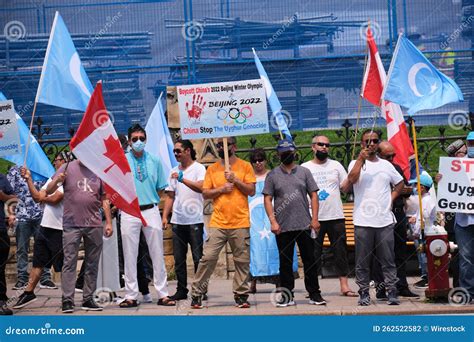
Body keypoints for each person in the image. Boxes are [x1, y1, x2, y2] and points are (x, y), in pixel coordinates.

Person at [191, 136, 256, 309]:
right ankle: (197, 293)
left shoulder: (245, 166)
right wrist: (221, 189)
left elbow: (251, 190)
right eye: (218, 145)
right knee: (208, 258)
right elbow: (205, 193)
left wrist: (236, 181)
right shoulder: (212, 169)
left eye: (223, 145)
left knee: (242, 260)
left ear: (233, 146)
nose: (220, 148)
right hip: (218, 222)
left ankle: (241, 294)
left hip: (240, 221)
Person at [263, 139, 326, 307]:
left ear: (295, 152)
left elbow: (313, 195)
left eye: (289, 153)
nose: (287, 156)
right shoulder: (273, 175)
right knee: (285, 263)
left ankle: (314, 294)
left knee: (310, 260)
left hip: (305, 224)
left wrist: (315, 219)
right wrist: (273, 221)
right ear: (278, 155)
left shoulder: (304, 172)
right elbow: (267, 199)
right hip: (282, 227)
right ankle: (287, 295)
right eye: (284, 153)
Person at [46, 158, 113, 313]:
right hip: (72, 224)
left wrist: (108, 222)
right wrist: (58, 181)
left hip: (94, 224)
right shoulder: (66, 167)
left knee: (92, 262)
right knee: (69, 262)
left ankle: (88, 298)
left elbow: (104, 198)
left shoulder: (98, 169)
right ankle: (67, 300)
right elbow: (48, 191)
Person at [119, 124, 175, 308]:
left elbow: (162, 188)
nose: (138, 142)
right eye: (134, 139)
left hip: (150, 209)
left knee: (157, 253)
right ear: (128, 141)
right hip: (129, 211)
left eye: (142, 138)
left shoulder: (155, 161)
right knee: (130, 254)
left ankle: (163, 293)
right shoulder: (121, 160)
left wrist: (157, 206)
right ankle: (130, 295)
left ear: (146, 139)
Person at [347, 130, 404, 306]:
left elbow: (400, 183)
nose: (371, 144)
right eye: (367, 141)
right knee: (362, 260)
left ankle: (392, 290)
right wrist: (359, 159)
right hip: (363, 220)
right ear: (362, 143)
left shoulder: (386, 165)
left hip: (384, 219)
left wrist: (391, 198)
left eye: (374, 141)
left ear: (378, 143)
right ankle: (363, 292)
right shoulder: (354, 163)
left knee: (388, 259)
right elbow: (351, 180)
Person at [302, 135, 356, 297]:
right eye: (320, 144)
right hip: (314, 217)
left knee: (340, 251)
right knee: (312, 253)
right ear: (313, 147)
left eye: (327, 145)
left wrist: (352, 177)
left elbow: (345, 188)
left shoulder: (336, 165)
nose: (324, 147)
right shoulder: (305, 168)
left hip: (336, 216)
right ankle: (312, 288)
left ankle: (344, 286)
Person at [13, 152, 68, 309]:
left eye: (58, 161)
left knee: (63, 266)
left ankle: (67, 296)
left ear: (64, 163)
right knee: (38, 262)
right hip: (45, 227)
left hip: (60, 229)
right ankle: (29, 292)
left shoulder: (67, 180)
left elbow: (56, 198)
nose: (55, 163)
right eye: (56, 161)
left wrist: (43, 198)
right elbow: (37, 197)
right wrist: (29, 179)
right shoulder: (52, 179)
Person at [372, 141, 419, 299]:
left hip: (398, 213)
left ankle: (401, 285)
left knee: (400, 252)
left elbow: (404, 188)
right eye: (388, 156)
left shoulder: (396, 168)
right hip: (382, 214)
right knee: (381, 253)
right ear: (379, 155)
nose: (392, 158)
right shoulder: (374, 170)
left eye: (393, 155)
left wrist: (406, 190)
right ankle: (381, 288)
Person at [162, 140, 206, 301]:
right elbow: (170, 196)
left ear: (188, 151)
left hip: (194, 220)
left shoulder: (199, 168)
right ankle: (181, 289)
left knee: (197, 257)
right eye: (174, 151)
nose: (176, 154)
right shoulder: (173, 171)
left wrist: (182, 179)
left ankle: (200, 289)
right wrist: (165, 216)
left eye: (178, 151)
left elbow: (201, 187)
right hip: (178, 221)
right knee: (179, 259)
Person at [7, 165, 55, 290]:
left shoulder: (40, 168)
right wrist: (11, 214)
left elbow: (49, 189)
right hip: (21, 215)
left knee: (44, 248)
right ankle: (22, 278)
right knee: (22, 249)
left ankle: (45, 278)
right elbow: (10, 193)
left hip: (40, 214)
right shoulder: (14, 171)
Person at [451, 132, 474, 301]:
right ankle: (467, 292)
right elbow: (449, 188)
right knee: (466, 258)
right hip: (463, 221)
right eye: (471, 143)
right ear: (467, 144)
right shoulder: (456, 165)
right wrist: (441, 179)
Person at [0, 173, 17, 315]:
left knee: (1, 266)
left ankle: (1, 299)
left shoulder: (1, 178)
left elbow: (14, 198)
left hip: (0, 229)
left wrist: (2, 196)